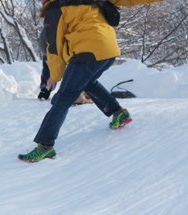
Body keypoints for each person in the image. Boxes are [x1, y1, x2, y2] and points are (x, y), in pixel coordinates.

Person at [19, 0, 132, 163]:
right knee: (88, 82)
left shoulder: (55, 8)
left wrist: (54, 76)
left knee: (63, 98)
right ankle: (118, 113)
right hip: (109, 50)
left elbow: (54, 48)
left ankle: (45, 146)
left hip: (88, 52)